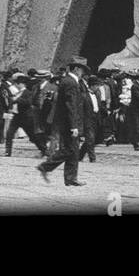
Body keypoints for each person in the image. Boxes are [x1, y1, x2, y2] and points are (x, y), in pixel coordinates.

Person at [37, 56, 89, 186]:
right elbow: (70, 105)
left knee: (74, 150)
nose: (83, 73)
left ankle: (71, 178)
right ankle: (46, 166)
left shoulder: (68, 81)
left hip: (66, 121)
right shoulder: (71, 82)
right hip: (68, 123)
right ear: (77, 69)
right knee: (70, 149)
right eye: (82, 70)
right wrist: (74, 126)